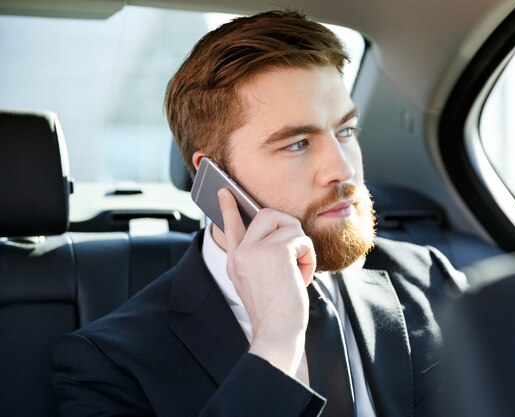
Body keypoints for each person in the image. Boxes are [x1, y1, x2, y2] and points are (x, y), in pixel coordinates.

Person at [53, 10, 466, 417]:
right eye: (297, 144)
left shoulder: (428, 278)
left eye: (345, 132)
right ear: (213, 176)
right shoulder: (108, 365)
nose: (342, 169)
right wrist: (276, 346)